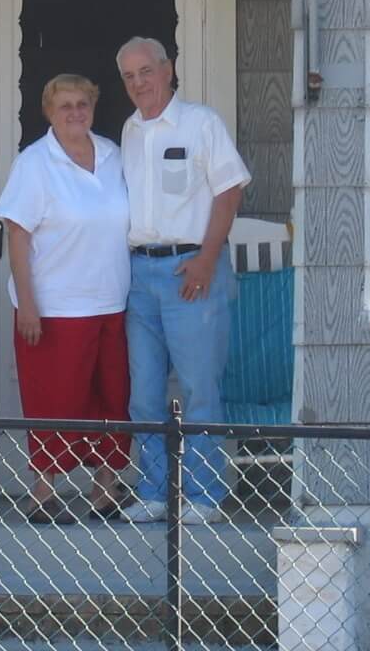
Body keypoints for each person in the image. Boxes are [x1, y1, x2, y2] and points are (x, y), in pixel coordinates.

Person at [115, 36, 249, 525]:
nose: (138, 83)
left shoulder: (201, 123)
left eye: (145, 71)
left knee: (198, 387)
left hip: (191, 268)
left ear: (168, 70)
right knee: (145, 391)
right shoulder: (129, 130)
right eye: (129, 76)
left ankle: (207, 494)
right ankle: (153, 491)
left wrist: (207, 258)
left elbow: (229, 191)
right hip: (139, 273)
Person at [0, 73, 132, 524]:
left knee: (111, 396)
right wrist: (27, 303)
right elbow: (17, 235)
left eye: (83, 104)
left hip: (111, 300)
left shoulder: (113, 155)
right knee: (54, 399)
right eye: (65, 105)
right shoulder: (35, 163)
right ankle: (44, 490)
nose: (75, 112)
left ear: (93, 108)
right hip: (54, 307)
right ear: (49, 112)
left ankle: (105, 486)